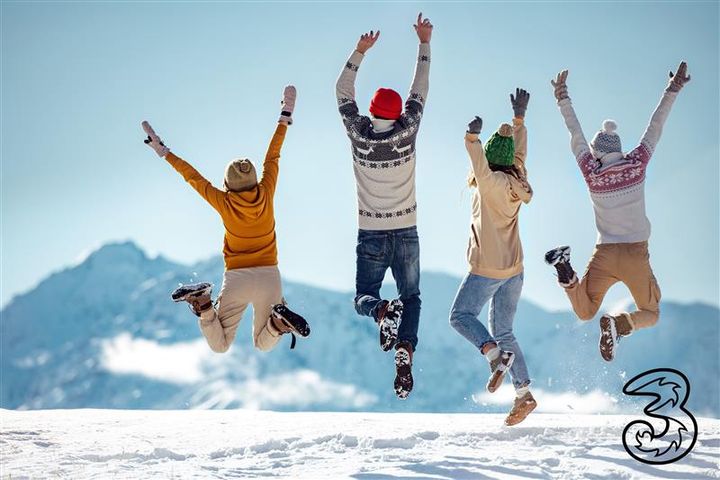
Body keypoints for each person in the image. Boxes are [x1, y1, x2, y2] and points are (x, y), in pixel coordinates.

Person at [141, 86, 310, 353]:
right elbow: (272, 155)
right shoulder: (266, 191)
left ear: (228, 185)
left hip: (237, 278)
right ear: (254, 180)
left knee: (220, 345)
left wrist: (163, 151)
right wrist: (284, 115)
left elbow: (193, 177)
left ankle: (204, 303)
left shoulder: (224, 202)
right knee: (263, 344)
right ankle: (278, 322)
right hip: (269, 275)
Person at [545, 62, 691, 361]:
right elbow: (655, 128)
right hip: (636, 253)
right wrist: (672, 89)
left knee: (585, 311)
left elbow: (576, 135)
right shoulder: (636, 163)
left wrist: (562, 97)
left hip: (605, 253)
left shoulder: (591, 171)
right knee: (651, 312)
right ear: (619, 149)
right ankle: (619, 324)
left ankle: (565, 269)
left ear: (597, 152)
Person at [335, 13, 432, 399]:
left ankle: (379, 312)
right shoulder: (408, 131)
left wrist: (360, 51)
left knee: (364, 295)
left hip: (371, 231)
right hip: (406, 230)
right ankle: (405, 349)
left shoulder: (358, 133)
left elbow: (342, 91)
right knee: (412, 299)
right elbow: (420, 88)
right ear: (396, 115)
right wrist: (424, 43)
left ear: (372, 111)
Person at [449, 89, 537, 426]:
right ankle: (523, 394)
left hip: (487, 267)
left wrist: (472, 136)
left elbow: (477, 161)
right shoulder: (519, 180)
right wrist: (519, 120)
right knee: (505, 331)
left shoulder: (487, 182)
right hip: (515, 269)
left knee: (460, 316)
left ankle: (493, 355)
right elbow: (520, 154)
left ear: (489, 158)